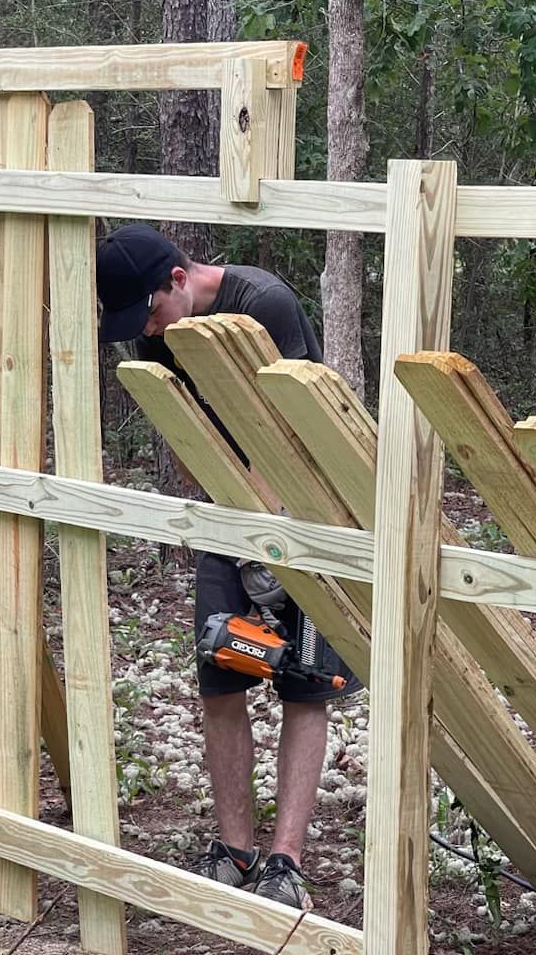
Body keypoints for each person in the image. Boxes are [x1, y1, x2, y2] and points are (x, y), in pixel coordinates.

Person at [96, 222, 362, 910]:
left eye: (150, 311)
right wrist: (232, 527)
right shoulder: (154, 331)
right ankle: (235, 847)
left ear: (179, 280)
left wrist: (267, 542)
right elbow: (187, 433)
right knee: (222, 673)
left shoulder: (265, 305)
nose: (146, 331)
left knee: (305, 684)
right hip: (227, 514)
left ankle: (285, 860)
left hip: (304, 510)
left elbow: (296, 430)